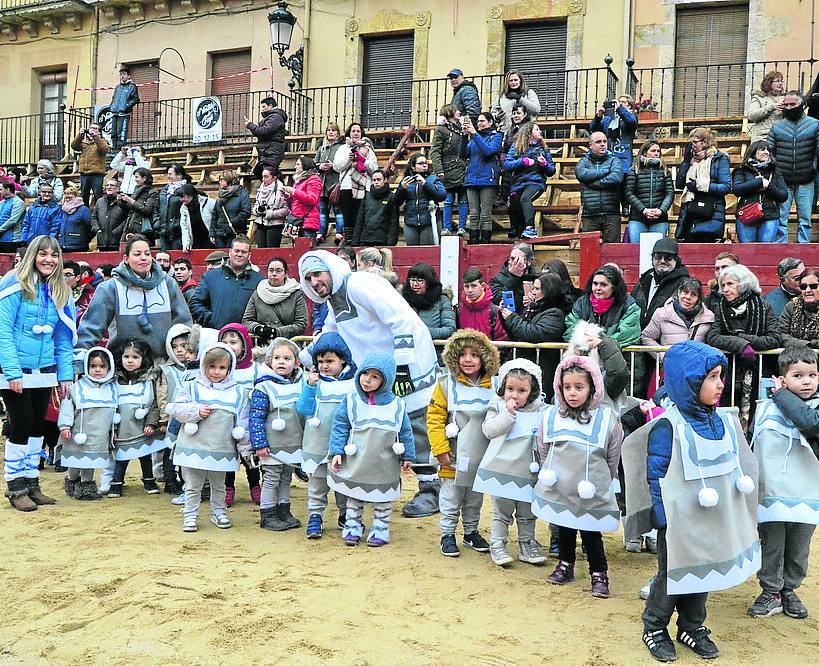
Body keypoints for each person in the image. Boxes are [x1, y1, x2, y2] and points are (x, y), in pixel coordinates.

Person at [639, 341, 759, 662]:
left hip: (712, 518)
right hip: (678, 522)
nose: (721, 384)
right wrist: (663, 518)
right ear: (690, 381)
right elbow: (656, 473)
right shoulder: (669, 426)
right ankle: (655, 625)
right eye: (712, 377)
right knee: (672, 575)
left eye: (721, 376)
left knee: (704, 572)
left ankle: (692, 625)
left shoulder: (724, 421)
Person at [299, 250, 440, 518]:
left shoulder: (361, 283)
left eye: (318, 273)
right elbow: (330, 333)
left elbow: (400, 317)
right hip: (377, 370)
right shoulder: (334, 301)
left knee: (415, 422)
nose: (315, 281)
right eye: (308, 278)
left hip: (405, 363)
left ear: (332, 269)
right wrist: (300, 358)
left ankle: (430, 488)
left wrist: (402, 366)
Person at [534, 355, 623, 598]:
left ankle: (599, 572)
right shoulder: (552, 415)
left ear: (593, 387)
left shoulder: (606, 418)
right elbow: (544, 447)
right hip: (562, 486)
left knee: (591, 531)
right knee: (563, 527)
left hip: (590, 488)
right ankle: (565, 564)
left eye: (579, 387)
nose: (572, 393)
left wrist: (605, 478)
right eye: (567, 387)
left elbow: (613, 452)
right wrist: (548, 473)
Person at [0, 236, 75, 511]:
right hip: (16, 371)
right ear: (32, 255)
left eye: (54, 255)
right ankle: (15, 486)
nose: (48, 260)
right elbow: (3, 332)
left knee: (37, 428)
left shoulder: (60, 292)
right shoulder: (13, 285)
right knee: (19, 427)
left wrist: (65, 374)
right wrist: (11, 371)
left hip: (45, 371)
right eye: (43, 254)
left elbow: (64, 338)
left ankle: (32, 482)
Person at [748, 344, 819, 619]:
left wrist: (781, 395)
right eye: (798, 375)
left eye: (812, 375)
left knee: (799, 546)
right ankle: (770, 590)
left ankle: (790, 589)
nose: (806, 381)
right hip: (773, 491)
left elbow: (810, 423)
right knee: (772, 542)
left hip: (808, 491)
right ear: (783, 377)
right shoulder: (766, 406)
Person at [328, 352, 415, 547]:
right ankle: (352, 527)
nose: (367, 380)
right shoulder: (351, 400)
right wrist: (337, 451)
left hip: (384, 463)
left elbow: (405, 431)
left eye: (375, 376)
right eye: (365, 373)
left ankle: (380, 529)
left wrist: (407, 454)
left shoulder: (397, 405)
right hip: (357, 459)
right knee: (354, 496)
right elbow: (340, 425)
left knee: (383, 499)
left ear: (386, 381)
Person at [428, 329, 499, 557]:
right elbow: (435, 417)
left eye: (475, 355)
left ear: (485, 359)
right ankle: (447, 534)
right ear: (454, 357)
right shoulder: (446, 384)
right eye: (463, 354)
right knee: (451, 495)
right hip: (454, 452)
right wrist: (440, 448)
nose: (468, 359)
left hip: (481, 453)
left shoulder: (494, 386)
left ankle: (471, 531)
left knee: (474, 497)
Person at [167, 343, 249, 532]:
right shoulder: (192, 387)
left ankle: (218, 512)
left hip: (222, 448)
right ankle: (190, 515)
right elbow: (176, 409)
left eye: (222, 368)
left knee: (219, 485)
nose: (216, 372)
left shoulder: (238, 392)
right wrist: (195, 411)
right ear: (204, 365)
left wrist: (245, 447)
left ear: (230, 368)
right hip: (194, 446)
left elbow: (242, 422)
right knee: (193, 485)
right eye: (212, 367)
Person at [477, 358, 546, 567]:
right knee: (502, 512)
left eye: (522, 390)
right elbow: (489, 430)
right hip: (502, 470)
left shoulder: (542, 410)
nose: (514, 395)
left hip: (528, 470)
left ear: (532, 391)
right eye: (510, 389)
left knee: (527, 512)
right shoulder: (497, 407)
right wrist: (508, 414)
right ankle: (497, 544)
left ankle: (527, 544)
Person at [77, 235, 192, 360]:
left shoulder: (168, 283)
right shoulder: (110, 288)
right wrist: (80, 357)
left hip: (162, 363)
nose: (144, 258)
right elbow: (91, 327)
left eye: (147, 254)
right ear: (126, 259)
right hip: (123, 365)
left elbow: (183, 323)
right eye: (137, 254)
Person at [705, 264, 781, 428]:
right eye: (723, 285)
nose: (725, 289)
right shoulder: (721, 308)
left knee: (755, 418)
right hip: (729, 374)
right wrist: (740, 344)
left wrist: (741, 337)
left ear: (744, 284)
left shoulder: (764, 307)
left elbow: (775, 338)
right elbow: (712, 336)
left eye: (730, 284)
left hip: (758, 373)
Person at [296, 333, 357, 537]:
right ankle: (315, 516)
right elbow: (304, 408)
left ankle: (345, 514)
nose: (324, 366)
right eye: (320, 361)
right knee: (317, 483)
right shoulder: (313, 383)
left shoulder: (354, 384)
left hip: (343, 444)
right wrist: (309, 387)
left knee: (342, 481)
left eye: (329, 361)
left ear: (343, 360)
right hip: (316, 443)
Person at [249, 338, 305, 532]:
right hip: (271, 446)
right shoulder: (263, 387)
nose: (282, 362)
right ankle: (268, 513)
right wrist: (259, 444)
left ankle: (284, 510)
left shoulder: (302, 384)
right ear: (269, 361)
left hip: (292, 443)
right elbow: (256, 417)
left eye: (287, 358)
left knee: (286, 477)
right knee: (272, 478)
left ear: (297, 362)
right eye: (277, 358)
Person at [58, 347, 117, 501]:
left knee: (91, 461)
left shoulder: (112, 388)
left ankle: (86, 487)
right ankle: (72, 481)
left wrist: (114, 429)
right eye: (93, 366)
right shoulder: (76, 388)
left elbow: (116, 412)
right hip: (79, 432)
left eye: (102, 366)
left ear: (109, 368)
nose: (97, 370)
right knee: (76, 461)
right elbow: (67, 407)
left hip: (99, 435)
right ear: (86, 367)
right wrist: (65, 426)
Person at [499, 272, 567, 400]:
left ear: (548, 291)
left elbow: (533, 333)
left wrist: (511, 318)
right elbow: (516, 332)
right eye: (533, 288)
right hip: (525, 366)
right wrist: (504, 315)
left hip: (542, 368)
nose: (533, 292)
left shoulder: (555, 314)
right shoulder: (534, 309)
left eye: (537, 289)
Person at [107, 339, 162, 498]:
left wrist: (151, 423)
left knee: (145, 456)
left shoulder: (150, 380)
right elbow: (111, 405)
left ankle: (149, 481)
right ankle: (116, 483)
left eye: (135, 357)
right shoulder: (115, 381)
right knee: (121, 457)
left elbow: (154, 404)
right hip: (123, 428)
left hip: (142, 427)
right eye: (126, 357)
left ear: (143, 359)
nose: (130, 361)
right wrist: (113, 428)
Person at [641, 278, 715, 391]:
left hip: (697, 373)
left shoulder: (708, 317)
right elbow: (646, 337)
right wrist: (663, 355)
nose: (688, 297)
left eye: (693, 294)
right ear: (679, 292)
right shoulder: (662, 313)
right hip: (670, 370)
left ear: (698, 298)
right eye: (685, 292)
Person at [768, 90, 819, 243]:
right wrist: (777, 171)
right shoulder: (776, 127)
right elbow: (770, 151)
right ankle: (780, 250)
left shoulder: (815, 125)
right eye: (787, 104)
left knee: (805, 219)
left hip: (806, 179)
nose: (789, 107)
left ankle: (804, 249)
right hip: (783, 180)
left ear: (802, 104)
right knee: (781, 218)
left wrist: (813, 168)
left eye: (793, 104)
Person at [190, 235, 262, 330]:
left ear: (249, 255)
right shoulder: (211, 276)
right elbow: (195, 302)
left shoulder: (258, 280)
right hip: (216, 334)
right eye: (237, 251)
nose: (240, 254)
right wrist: (211, 319)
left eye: (244, 252)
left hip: (246, 336)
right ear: (230, 252)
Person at [675, 127, 731, 243]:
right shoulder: (691, 159)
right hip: (690, 210)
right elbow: (680, 184)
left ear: (705, 142)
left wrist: (701, 186)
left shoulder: (719, 158)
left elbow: (726, 186)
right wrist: (686, 162)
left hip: (710, 211)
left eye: (695, 142)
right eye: (691, 142)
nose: (692, 145)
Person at [565, 265, 641, 349]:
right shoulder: (582, 303)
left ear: (614, 287)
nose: (598, 288)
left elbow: (627, 335)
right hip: (586, 356)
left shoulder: (628, 306)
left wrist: (600, 343)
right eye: (595, 283)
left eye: (603, 285)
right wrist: (585, 342)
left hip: (619, 358)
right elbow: (570, 328)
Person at [503, 122, 555, 238]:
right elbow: (507, 164)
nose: (540, 132)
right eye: (537, 130)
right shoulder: (516, 147)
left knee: (525, 198)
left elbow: (551, 171)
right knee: (515, 205)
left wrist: (545, 164)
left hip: (535, 182)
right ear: (529, 133)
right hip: (518, 183)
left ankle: (530, 228)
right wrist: (522, 161)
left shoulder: (544, 149)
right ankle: (519, 232)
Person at [732, 140, 789, 243]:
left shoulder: (775, 172)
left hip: (770, 216)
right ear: (754, 151)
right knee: (747, 251)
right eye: (762, 149)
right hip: (747, 215)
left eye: (768, 150)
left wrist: (768, 186)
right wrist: (758, 182)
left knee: (765, 252)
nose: (766, 152)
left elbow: (783, 196)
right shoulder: (742, 170)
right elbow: (737, 189)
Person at [242, 257, 307, 344]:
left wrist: (276, 332)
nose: (274, 274)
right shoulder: (257, 293)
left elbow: (301, 324)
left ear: (285, 273)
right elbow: (246, 321)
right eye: (271, 270)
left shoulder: (296, 294)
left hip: (288, 344)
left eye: (278, 270)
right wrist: (258, 328)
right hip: (261, 345)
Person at [460, 111, 502, 244]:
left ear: (490, 122)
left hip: (487, 179)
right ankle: (473, 242)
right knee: (473, 214)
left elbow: (488, 151)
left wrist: (474, 134)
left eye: (482, 121)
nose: (479, 124)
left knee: (485, 215)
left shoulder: (496, 136)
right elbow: (463, 153)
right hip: (472, 179)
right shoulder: (473, 138)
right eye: (478, 121)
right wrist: (464, 137)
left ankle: (485, 243)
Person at [574, 132, 624, 244]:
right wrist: (605, 171)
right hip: (590, 214)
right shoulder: (584, 161)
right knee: (589, 250)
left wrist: (592, 183)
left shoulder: (614, 160)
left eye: (604, 141)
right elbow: (581, 174)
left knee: (613, 251)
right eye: (598, 142)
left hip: (611, 212)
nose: (602, 144)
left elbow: (616, 178)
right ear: (590, 146)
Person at [332, 123, 378, 242]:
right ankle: (348, 241)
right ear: (349, 133)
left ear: (361, 133)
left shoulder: (368, 149)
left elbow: (374, 168)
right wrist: (349, 158)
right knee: (347, 216)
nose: (356, 133)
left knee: (360, 216)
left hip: (363, 187)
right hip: (346, 187)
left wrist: (363, 160)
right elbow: (337, 167)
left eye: (358, 131)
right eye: (353, 131)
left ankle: (359, 240)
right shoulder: (343, 148)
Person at [625, 140, 675, 243]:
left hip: (659, 218)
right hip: (638, 218)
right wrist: (644, 210)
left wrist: (661, 210)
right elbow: (629, 193)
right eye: (653, 150)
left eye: (658, 151)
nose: (656, 153)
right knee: (636, 250)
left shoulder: (665, 171)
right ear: (644, 152)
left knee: (657, 251)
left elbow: (669, 193)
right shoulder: (635, 170)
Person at [430, 104, 468, 236]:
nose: (459, 112)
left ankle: (462, 227)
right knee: (448, 200)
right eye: (456, 110)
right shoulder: (441, 130)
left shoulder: (463, 129)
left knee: (463, 200)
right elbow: (435, 151)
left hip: (462, 168)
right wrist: (439, 170)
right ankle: (447, 227)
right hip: (448, 170)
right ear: (449, 113)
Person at [394, 153, 447, 246]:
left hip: (429, 222)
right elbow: (396, 202)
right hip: (411, 223)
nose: (425, 165)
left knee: (427, 253)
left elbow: (442, 196)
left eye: (425, 163)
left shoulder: (433, 179)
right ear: (413, 166)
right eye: (421, 163)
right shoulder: (406, 181)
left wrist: (425, 184)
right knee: (412, 253)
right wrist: (401, 189)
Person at [401, 262, 456, 341]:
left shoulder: (442, 300)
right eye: (412, 280)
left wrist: (422, 332)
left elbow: (449, 329)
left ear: (429, 282)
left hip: (433, 350)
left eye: (420, 281)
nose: (415, 284)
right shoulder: (402, 300)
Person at [455, 267, 508, 341]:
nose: (470, 290)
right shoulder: (458, 310)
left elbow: (502, 340)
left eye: (474, 286)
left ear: (482, 286)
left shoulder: (494, 311)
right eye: (466, 286)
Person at [314, 122, 346, 244]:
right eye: (328, 130)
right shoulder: (321, 149)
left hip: (335, 183)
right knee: (322, 212)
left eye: (333, 130)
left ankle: (339, 233)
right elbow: (314, 164)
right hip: (322, 184)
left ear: (338, 133)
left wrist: (333, 166)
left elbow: (343, 163)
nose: (331, 132)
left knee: (338, 210)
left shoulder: (341, 148)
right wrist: (320, 166)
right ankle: (320, 233)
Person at [498, 103, 534, 210]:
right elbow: (504, 149)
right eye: (513, 113)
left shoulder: (529, 129)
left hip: (522, 166)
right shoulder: (510, 130)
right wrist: (504, 159)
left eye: (518, 113)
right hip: (510, 163)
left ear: (525, 114)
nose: (515, 116)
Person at [590, 94, 638, 172]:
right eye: (619, 102)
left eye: (623, 102)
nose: (620, 103)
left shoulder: (631, 117)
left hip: (623, 155)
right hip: (608, 155)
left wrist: (620, 109)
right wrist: (598, 116)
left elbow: (631, 121)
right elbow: (593, 128)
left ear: (630, 106)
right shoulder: (608, 119)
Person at [351, 168, 399, 246]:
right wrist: (355, 242)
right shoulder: (367, 196)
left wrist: (391, 243)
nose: (376, 182)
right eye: (374, 180)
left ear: (385, 180)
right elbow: (360, 219)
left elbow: (394, 222)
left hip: (383, 240)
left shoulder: (391, 197)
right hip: (366, 239)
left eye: (378, 179)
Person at [245, 96, 288, 180]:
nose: (262, 109)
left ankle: (279, 189)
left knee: (268, 173)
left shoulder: (275, 117)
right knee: (263, 172)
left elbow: (264, 131)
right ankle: (278, 188)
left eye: (264, 106)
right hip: (267, 150)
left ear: (270, 106)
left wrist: (250, 125)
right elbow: (262, 134)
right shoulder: (273, 117)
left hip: (272, 150)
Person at [281, 156, 322, 240]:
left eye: (298, 164)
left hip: (307, 222)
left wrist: (294, 191)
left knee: (306, 249)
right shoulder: (299, 181)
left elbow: (312, 199)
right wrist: (287, 196)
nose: (295, 167)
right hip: (297, 221)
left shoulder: (314, 179)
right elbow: (295, 200)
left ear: (305, 166)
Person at [489, 242, 536, 313]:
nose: (512, 262)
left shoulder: (536, 279)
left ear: (528, 262)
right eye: (511, 259)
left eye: (517, 259)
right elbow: (498, 300)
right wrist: (514, 277)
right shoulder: (498, 279)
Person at [778, 267, 819, 349]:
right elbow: (781, 335)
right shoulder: (791, 307)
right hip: (795, 359)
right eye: (803, 286)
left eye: (813, 286)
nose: (807, 290)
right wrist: (809, 345)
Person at [70, 123, 109, 206]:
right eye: (91, 128)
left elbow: (104, 149)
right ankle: (85, 214)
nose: (92, 130)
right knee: (84, 195)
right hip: (84, 173)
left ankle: (99, 213)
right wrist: (80, 135)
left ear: (99, 132)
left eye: (95, 128)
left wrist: (96, 137)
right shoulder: (84, 142)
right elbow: (74, 146)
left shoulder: (103, 141)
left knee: (98, 195)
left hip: (97, 174)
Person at [492, 70, 541, 134]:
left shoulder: (529, 93)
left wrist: (520, 99)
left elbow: (536, 110)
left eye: (515, 80)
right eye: (511, 80)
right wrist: (496, 116)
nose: (513, 82)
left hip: (525, 131)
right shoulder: (501, 96)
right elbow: (492, 113)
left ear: (520, 81)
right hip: (506, 132)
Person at [252, 165, 289, 249]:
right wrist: (257, 210)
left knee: (272, 250)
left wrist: (270, 213)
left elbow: (286, 210)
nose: (263, 179)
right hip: (260, 223)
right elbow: (255, 206)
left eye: (266, 177)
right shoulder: (260, 190)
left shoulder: (281, 190)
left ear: (274, 178)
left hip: (275, 225)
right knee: (261, 251)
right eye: (262, 176)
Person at [211, 170, 251, 248]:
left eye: (221, 180)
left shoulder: (242, 194)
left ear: (228, 180)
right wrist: (212, 232)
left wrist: (233, 222)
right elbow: (215, 215)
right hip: (220, 234)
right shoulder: (220, 195)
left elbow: (246, 212)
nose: (219, 182)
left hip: (234, 232)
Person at [155, 165, 189, 251]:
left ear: (179, 175)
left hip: (178, 231)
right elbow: (156, 207)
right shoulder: (164, 190)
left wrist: (178, 224)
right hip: (163, 230)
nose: (168, 176)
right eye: (167, 174)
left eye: (170, 174)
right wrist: (156, 221)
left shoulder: (187, 190)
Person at [119, 168, 158, 241]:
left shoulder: (152, 192)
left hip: (143, 228)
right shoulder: (136, 190)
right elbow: (129, 209)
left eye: (137, 177)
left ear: (144, 178)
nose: (135, 180)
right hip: (130, 224)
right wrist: (122, 202)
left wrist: (130, 200)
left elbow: (147, 210)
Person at [748, 71, 786, 142]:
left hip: (780, 136)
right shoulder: (759, 98)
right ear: (769, 83)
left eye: (781, 81)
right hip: (762, 137)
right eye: (777, 81)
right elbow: (751, 116)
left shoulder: (785, 98)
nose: (780, 83)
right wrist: (772, 107)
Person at [109, 67, 140, 151]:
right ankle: (113, 149)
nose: (122, 76)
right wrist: (111, 106)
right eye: (121, 74)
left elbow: (136, 99)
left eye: (124, 74)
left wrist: (126, 106)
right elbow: (113, 98)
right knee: (113, 133)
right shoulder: (117, 87)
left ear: (129, 76)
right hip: (115, 113)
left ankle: (120, 150)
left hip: (124, 114)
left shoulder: (132, 87)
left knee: (121, 133)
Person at [93, 179, 128, 252]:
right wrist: (97, 229)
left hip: (118, 241)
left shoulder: (123, 201)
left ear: (118, 188)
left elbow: (128, 218)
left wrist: (118, 230)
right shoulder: (99, 202)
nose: (109, 187)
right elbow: (94, 217)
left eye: (112, 185)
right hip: (102, 241)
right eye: (107, 185)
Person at [178, 184, 215, 252]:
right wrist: (186, 243)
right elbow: (184, 226)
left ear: (190, 195)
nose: (181, 200)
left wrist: (214, 234)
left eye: (183, 197)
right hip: (195, 240)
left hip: (211, 239)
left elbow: (216, 218)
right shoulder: (183, 208)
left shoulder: (209, 203)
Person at [57, 186, 94, 252]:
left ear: (76, 196)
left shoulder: (83, 210)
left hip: (79, 248)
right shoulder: (62, 210)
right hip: (63, 247)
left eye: (70, 195)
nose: (67, 197)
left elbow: (91, 228)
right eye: (66, 195)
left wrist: (83, 239)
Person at [0, 181, 26, 253]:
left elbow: (13, 220)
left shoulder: (18, 203)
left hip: (12, 239)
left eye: (0, 189)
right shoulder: (2, 202)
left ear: (8, 190)